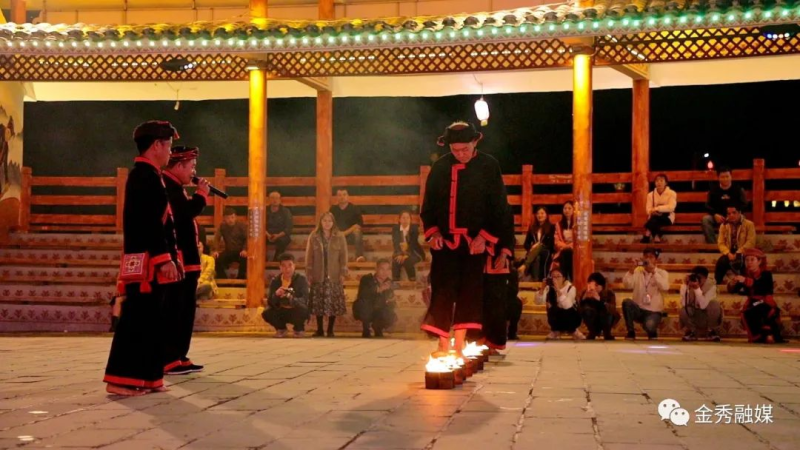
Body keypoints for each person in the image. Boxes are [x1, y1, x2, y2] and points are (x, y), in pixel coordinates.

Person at [420, 121, 513, 357]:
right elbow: (428, 205)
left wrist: (484, 236)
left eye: (465, 149)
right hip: (445, 243)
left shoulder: (488, 166)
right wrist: (434, 233)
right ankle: (443, 345)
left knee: (469, 295)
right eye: (455, 150)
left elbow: (499, 207)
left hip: (474, 245)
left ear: (475, 142)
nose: (460, 154)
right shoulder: (440, 167)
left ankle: (459, 346)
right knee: (442, 292)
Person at [104, 120, 181, 396]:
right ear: (157, 145)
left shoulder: (150, 174)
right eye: (169, 146)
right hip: (147, 261)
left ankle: (147, 378)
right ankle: (121, 380)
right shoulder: (142, 176)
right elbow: (148, 223)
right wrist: (164, 258)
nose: (170, 152)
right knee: (136, 321)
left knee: (151, 321)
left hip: (151, 259)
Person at [161, 145, 210, 375]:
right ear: (179, 166)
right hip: (178, 258)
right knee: (176, 309)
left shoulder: (177, 187)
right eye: (191, 166)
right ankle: (169, 357)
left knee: (186, 309)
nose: (194, 171)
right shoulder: (168, 186)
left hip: (188, 259)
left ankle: (180, 355)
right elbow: (183, 214)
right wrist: (201, 195)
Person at [729, 248, 785, 344]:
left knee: (761, 309)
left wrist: (746, 281)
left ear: (759, 261)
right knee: (748, 312)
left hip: (765, 301)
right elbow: (734, 290)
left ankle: (768, 335)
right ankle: (762, 337)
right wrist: (733, 283)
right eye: (747, 260)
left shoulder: (766, 274)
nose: (749, 262)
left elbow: (763, 288)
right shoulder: (745, 274)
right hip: (752, 303)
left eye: (752, 260)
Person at [306, 211, 348, 337]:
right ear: (320, 222)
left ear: (333, 222)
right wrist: (309, 272)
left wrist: (343, 272)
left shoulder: (339, 236)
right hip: (318, 274)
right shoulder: (314, 236)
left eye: (330, 221)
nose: (327, 223)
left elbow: (343, 256)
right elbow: (309, 256)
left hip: (334, 274)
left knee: (333, 302)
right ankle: (319, 329)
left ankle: (330, 329)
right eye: (325, 221)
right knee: (318, 302)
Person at [622, 248, 670, 340]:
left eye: (651, 257)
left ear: (656, 260)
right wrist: (631, 270)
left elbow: (665, 287)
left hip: (653, 311)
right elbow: (627, 285)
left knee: (649, 325)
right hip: (639, 309)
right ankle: (631, 332)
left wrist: (653, 272)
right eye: (646, 257)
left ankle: (652, 331)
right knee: (626, 302)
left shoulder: (662, 273)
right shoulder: (637, 272)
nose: (648, 259)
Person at [262, 253, 309, 338]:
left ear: (294, 266)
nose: (287, 269)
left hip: (295, 309)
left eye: (290, 265)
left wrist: (292, 299)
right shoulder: (275, 281)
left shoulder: (301, 279)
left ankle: (299, 329)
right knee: (266, 313)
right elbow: (270, 302)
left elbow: (305, 299)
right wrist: (276, 294)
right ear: (280, 267)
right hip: (281, 310)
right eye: (284, 266)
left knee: (304, 309)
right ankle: (281, 329)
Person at [702, 166, 748, 244]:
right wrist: (715, 215)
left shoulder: (738, 189)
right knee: (705, 220)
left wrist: (733, 214)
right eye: (722, 177)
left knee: (743, 219)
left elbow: (744, 204)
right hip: (718, 217)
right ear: (718, 178)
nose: (725, 179)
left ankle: (737, 245)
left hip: (734, 216)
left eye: (727, 176)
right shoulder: (713, 190)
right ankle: (713, 246)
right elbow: (707, 205)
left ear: (731, 177)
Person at [714, 204, 756, 285]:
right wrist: (728, 253)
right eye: (729, 214)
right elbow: (720, 243)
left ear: (739, 212)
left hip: (743, 252)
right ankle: (717, 285)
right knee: (721, 262)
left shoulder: (749, 224)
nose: (731, 215)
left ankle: (745, 285)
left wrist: (739, 252)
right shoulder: (724, 225)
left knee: (744, 262)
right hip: (729, 252)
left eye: (734, 213)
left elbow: (751, 242)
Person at [353, 259, 397, 338]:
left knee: (390, 313)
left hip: (379, 308)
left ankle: (378, 328)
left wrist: (391, 299)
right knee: (364, 303)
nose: (385, 272)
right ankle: (366, 329)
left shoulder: (389, 282)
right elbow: (363, 294)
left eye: (387, 269)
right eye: (382, 269)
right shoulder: (367, 279)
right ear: (376, 269)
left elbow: (391, 299)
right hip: (367, 308)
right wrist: (379, 289)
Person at [536, 268, 583, 340]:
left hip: (571, 315)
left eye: (558, 276)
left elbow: (567, 306)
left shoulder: (570, 288)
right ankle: (555, 331)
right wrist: (542, 288)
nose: (555, 279)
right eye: (553, 276)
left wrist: (558, 290)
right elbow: (538, 302)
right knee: (552, 309)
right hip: (556, 316)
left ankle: (573, 330)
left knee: (567, 310)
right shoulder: (549, 288)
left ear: (563, 278)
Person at [680, 266, 722, 342]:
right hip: (694, 315)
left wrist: (697, 289)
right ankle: (692, 331)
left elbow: (703, 306)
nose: (698, 280)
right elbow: (684, 304)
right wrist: (686, 286)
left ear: (706, 278)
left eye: (700, 277)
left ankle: (711, 331)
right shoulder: (688, 285)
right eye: (696, 277)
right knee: (683, 310)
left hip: (708, 316)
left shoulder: (711, 286)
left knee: (714, 305)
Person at [518, 206, 554, 281]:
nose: (540, 215)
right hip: (533, 253)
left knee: (540, 247)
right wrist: (532, 247)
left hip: (546, 251)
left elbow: (551, 244)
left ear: (546, 215)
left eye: (542, 213)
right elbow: (526, 244)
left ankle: (525, 265)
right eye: (538, 213)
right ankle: (536, 280)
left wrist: (539, 245)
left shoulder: (551, 227)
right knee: (536, 257)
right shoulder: (532, 228)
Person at [579, 272, 619, 340]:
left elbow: (612, 309)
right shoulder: (585, 293)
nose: (593, 287)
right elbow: (580, 309)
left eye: (596, 285)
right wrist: (583, 299)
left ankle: (607, 333)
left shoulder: (609, 293)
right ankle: (592, 332)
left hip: (605, 319)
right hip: (593, 319)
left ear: (602, 286)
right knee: (586, 311)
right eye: (590, 284)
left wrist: (600, 300)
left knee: (607, 311)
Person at [330, 189, 366, 262]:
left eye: (344, 194)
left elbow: (358, 225)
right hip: (336, 236)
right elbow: (330, 224)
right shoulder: (333, 209)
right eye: (339, 195)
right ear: (336, 197)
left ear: (348, 196)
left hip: (350, 236)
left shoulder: (354, 209)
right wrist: (338, 234)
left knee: (357, 232)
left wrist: (344, 233)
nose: (342, 197)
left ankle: (359, 256)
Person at [642, 174, 677, 244]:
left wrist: (657, 208)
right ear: (655, 183)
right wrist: (653, 212)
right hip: (654, 217)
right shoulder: (650, 195)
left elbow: (671, 207)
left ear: (666, 183)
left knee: (655, 219)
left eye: (661, 181)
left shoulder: (672, 193)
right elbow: (648, 210)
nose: (659, 183)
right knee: (655, 217)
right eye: (657, 181)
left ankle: (647, 233)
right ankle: (657, 238)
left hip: (667, 217)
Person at [213, 207, 247, 279]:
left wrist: (245, 249)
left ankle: (240, 279)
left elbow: (247, 239)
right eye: (228, 218)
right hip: (229, 251)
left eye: (232, 217)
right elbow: (216, 238)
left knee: (245, 260)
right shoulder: (222, 226)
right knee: (217, 259)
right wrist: (215, 250)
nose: (230, 220)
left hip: (240, 251)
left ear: (235, 217)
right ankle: (223, 279)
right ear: (224, 219)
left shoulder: (241, 226)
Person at [391, 210, 424, 281]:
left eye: (407, 218)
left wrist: (406, 254)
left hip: (414, 253)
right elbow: (395, 242)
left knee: (407, 260)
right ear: (399, 219)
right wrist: (399, 254)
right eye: (403, 218)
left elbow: (413, 243)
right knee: (396, 261)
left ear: (410, 220)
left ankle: (412, 280)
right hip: (400, 252)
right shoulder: (395, 229)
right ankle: (395, 282)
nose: (405, 220)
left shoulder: (414, 228)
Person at [266, 191, 293, 262]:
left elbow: (288, 228)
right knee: (258, 238)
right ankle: (262, 258)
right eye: (272, 198)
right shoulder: (264, 210)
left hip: (281, 234)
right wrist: (268, 235)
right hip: (267, 234)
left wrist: (277, 236)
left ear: (280, 200)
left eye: (277, 198)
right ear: (268, 199)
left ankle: (277, 260)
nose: (275, 200)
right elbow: (260, 226)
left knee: (284, 240)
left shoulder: (286, 211)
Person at [553, 201, 576, 281]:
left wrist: (569, 246)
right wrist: (565, 246)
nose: (567, 210)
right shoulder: (558, 224)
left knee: (568, 253)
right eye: (565, 208)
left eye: (569, 208)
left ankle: (566, 279)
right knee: (565, 253)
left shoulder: (578, 223)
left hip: (575, 250)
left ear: (573, 210)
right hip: (562, 250)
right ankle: (566, 279)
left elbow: (579, 240)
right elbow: (556, 240)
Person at [506, 268, 523, 341]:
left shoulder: (512, 271)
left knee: (517, 303)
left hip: (509, 297)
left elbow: (514, 289)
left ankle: (512, 332)